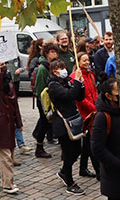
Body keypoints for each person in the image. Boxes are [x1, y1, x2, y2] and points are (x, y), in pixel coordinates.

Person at [48, 60, 86, 195]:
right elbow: (69, 95)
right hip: (62, 124)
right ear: (54, 71)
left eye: (64, 67)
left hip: (72, 120)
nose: (64, 70)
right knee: (68, 152)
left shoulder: (66, 81)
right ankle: (69, 182)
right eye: (60, 68)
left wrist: (80, 84)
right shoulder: (53, 85)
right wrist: (76, 83)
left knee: (77, 150)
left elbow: (79, 96)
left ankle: (64, 171)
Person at [0, 58, 23, 194]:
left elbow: (15, 102)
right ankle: (8, 184)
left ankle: (7, 181)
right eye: (0, 65)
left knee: (10, 154)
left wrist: (19, 122)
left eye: (3, 64)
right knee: (5, 154)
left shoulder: (8, 79)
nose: (3, 66)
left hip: (8, 121)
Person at [69, 52, 100, 179]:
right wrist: (94, 108)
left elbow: (95, 92)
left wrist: (98, 106)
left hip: (94, 112)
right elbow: (81, 99)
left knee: (87, 144)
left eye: (88, 60)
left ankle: (83, 168)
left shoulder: (91, 75)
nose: (86, 63)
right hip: (84, 113)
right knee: (91, 143)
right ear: (78, 62)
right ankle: (99, 172)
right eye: (83, 61)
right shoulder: (75, 77)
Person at [91, 77, 120, 199]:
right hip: (115, 177)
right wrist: (118, 164)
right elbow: (97, 148)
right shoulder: (103, 117)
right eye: (118, 93)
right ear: (109, 96)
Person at [33, 43, 59, 158]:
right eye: (51, 52)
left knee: (48, 123)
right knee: (44, 122)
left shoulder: (53, 66)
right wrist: (44, 103)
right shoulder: (43, 68)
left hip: (52, 99)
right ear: (46, 53)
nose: (54, 54)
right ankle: (39, 147)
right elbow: (40, 88)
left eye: (55, 52)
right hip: (44, 101)